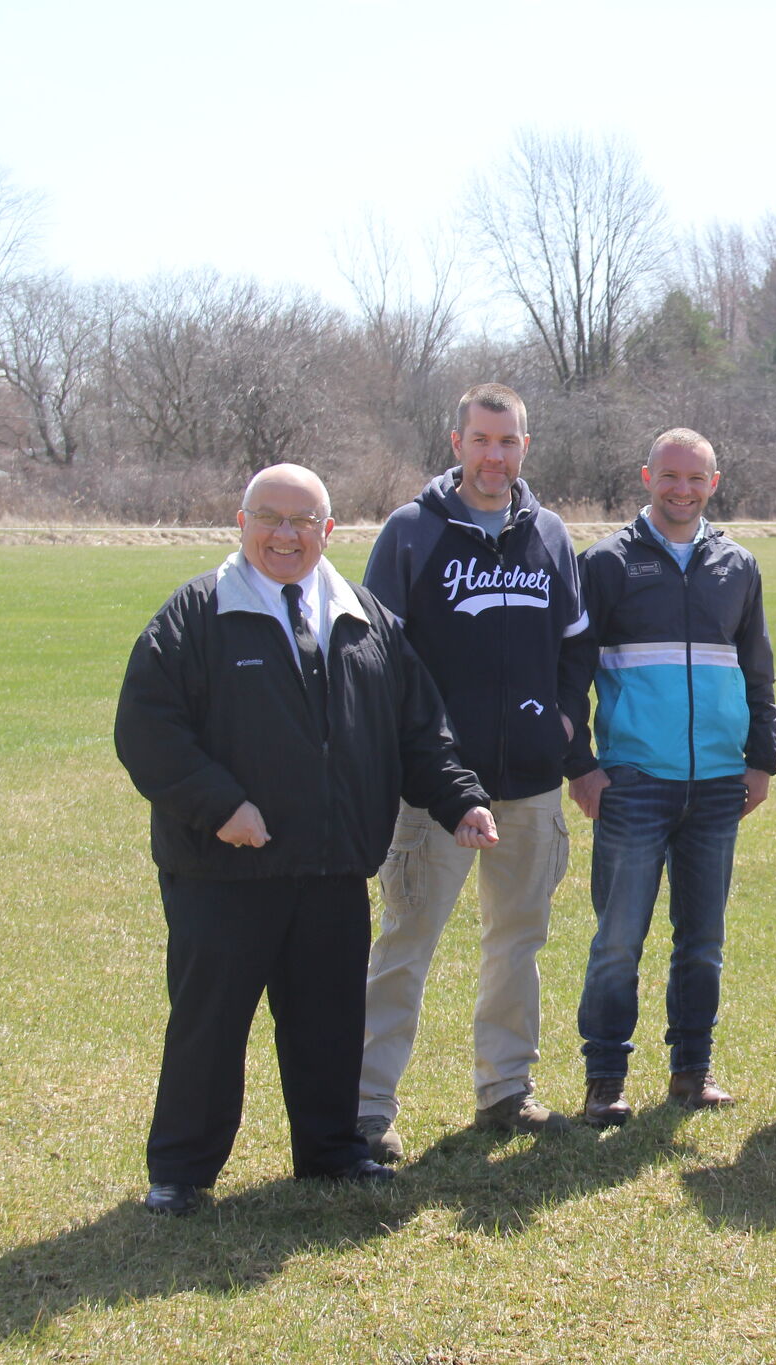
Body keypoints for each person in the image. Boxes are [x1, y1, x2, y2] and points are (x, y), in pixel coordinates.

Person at [114, 463, 497, 1215]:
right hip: (223, 868)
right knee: (210, 1022)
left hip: (331, 867)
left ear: (329, 531)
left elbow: (420, 727)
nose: (285, 535)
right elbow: (146, 729)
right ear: (241, 520)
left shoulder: (362, 615)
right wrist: (221, 805)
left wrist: (459, 798)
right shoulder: (194, 615)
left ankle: (329, 1149)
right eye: (270, 517)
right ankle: (183, 1172)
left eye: (303, 521)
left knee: (327, 1021)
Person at [354, 383, 588, 1162]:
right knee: (406, 942)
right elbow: (375, 655)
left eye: (510, 440)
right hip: (434, 791)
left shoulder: (550, 533)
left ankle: (506, 1090)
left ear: (527, 445)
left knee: (517, 941)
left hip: (529, 782)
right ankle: (366, 1106)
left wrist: (563, 718)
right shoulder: (411, 532)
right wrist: (419, 752)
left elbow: (576, 644)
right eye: (482, 440)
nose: (496, 455)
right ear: (456, 442)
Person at [563, 428, 776, 1127]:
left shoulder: (737, 565)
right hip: (632, 780)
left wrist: (761, 759)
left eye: (696, 479)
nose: (682, 489)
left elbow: (757, 669)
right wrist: (583, 767)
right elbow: (570, 675)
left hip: (717, 783)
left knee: (704, 939)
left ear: (714, 482)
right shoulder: (606, 563)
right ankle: (605, 1078)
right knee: (619, 938)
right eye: (670, 476)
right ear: (647, 475)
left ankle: (692, 1069)